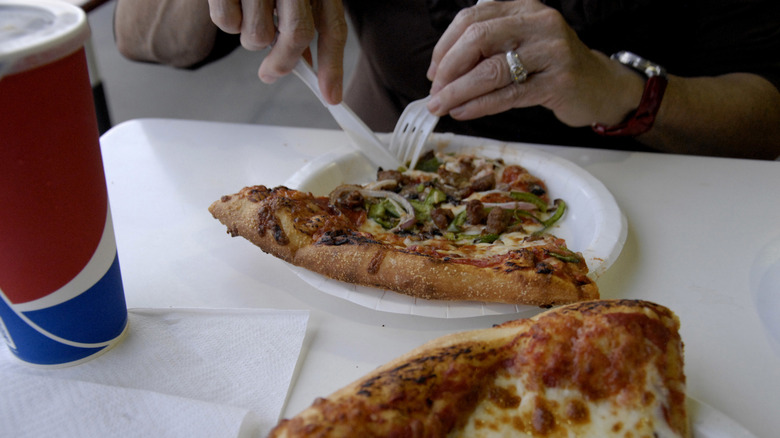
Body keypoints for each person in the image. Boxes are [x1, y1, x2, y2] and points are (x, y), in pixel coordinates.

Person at [114, 0, 780, 160]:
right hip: (399, 192)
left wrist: (624, 92)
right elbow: (136, 32)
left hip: (658, 198)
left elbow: (766, 118)